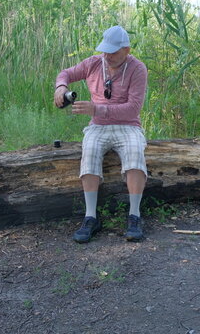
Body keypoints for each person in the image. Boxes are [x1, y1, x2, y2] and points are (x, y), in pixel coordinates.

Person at [54, 25, 148, 243]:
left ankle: (134, 215)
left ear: (127, 50)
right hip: (98, 125)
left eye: (113, 52)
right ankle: (90, 217)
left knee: (135, 152)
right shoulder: (94, 63)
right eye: (105, 50)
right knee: (89, 151)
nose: (107, 56)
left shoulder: (138, 68)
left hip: (128, 124)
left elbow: (133, 108)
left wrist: (97, 109)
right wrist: (61, 86)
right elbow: (66, 73)